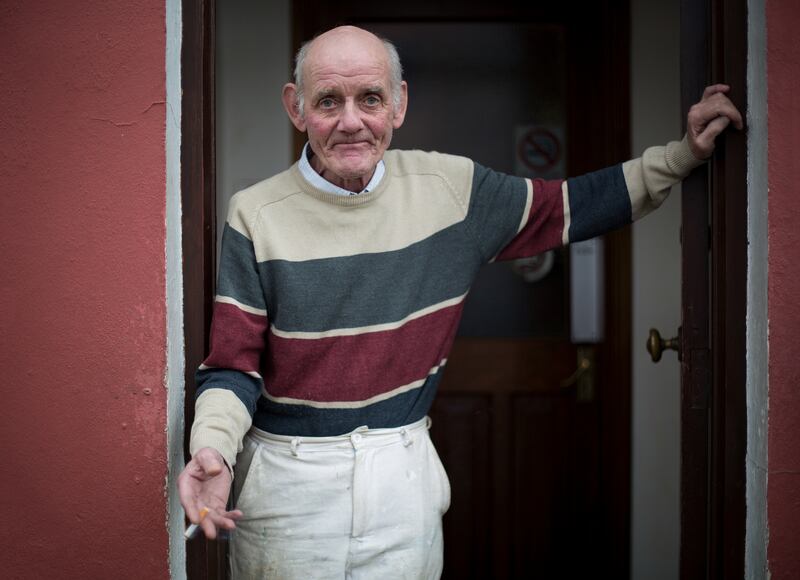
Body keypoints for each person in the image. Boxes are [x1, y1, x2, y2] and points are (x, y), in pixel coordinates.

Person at [178, 25, 742, 579]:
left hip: (403, 474)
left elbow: (572, 205)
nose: (351, 121)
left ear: (399, 104)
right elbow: (233, 366)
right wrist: (212, 449)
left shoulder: (450, 190)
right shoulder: (255, 214)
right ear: (296, 108)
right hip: (286, 479)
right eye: (329, 101)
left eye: (370, 98)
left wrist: (682, 155)